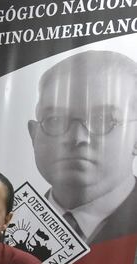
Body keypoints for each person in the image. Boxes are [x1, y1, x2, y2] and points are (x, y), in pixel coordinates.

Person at [27, 50, 137, 245]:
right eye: (55, 119)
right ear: (34, 134)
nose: (77, 137)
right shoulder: (5, 227)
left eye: (103, 119)